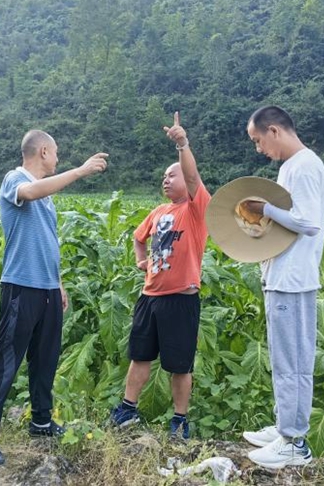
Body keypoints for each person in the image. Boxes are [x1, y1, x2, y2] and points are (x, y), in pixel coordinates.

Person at [0, 130, 108, 465]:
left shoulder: (47, 195)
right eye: (57, 153)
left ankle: (41, 421)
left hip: (47, 288)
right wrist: (80, 171)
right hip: (21, 285)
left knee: (45, 358)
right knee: (6, 360)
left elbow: (47, 239)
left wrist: (58, 282)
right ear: (43, 151)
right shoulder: (14, 179)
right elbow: (29, 193)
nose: (59, 159)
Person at [110, 112, 211, 440]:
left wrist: (182, 144)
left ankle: (179, 420)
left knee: (179, 364)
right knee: (139, 356)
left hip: (181, 299)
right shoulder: (158, 212)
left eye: (173, 175)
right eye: (164, 177)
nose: (166, 180)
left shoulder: (196, 209)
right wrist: (142, 262)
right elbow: (139, 238)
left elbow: (193, 178)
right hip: (150, 297)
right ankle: (127, 409)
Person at [240, 105, 324, 469]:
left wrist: (266, 209)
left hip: (293, 280)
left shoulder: (305, 165)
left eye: (259, 140)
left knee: (292, 361)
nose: (259, 149)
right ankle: (284, 427)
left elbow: (308, 223)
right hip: (282, 275)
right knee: (284, 358)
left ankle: (294, 442)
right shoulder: (290, 167)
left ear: (274, 131)